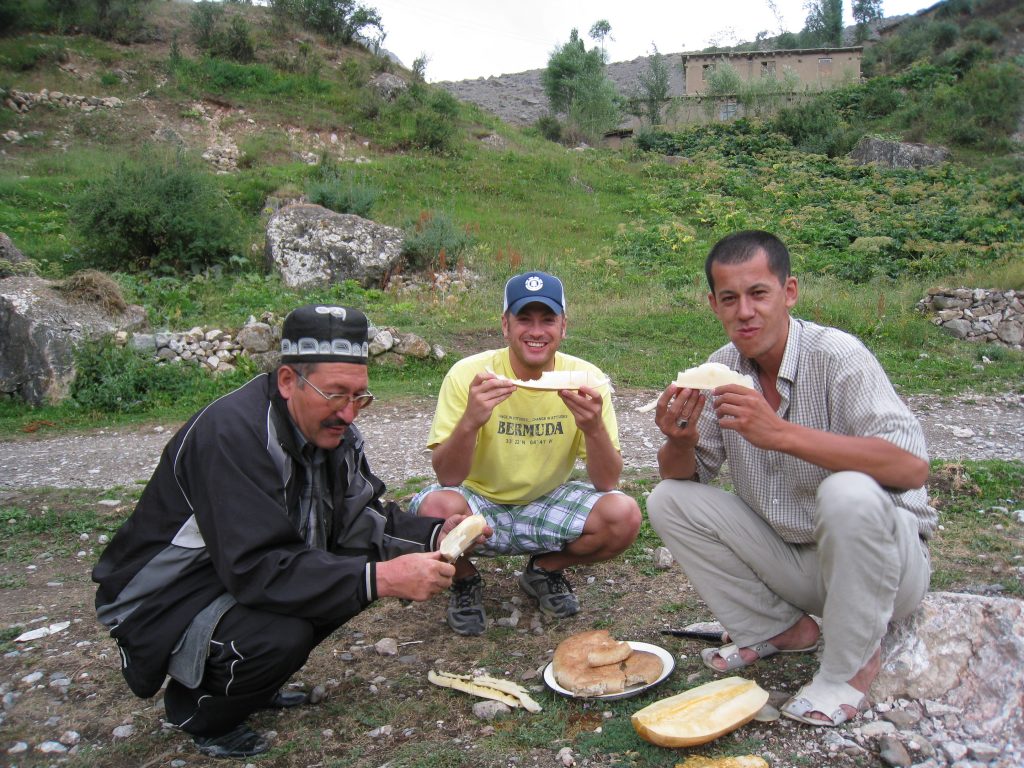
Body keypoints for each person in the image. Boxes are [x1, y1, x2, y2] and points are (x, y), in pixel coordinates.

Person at [92, 305, 485, 759]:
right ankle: (200, 712)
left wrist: (438, 534)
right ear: (286, 381)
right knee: (290, 627)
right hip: (167, 596)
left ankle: (251, 679)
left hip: (235, 573)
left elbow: (360, 521)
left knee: (342, 583)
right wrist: (384, 578)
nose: (350, 413)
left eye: (361, 396)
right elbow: (256, 568)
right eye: (336, 394)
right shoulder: (231, 435)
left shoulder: (334, 432)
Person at [646, 230, 934, 727]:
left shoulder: (839, 356)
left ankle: (851, 665)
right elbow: (685, 477)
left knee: (847, 490)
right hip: (800, 566)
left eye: (759, 293)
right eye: (730, 299)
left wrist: (779, 433)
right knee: (668, 499)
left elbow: (910, 467)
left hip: (887, 569)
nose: (745, 312)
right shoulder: (721, 368)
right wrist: (680, 440)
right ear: (712, 303)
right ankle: (781, 628)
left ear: (790, 292)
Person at [409, 271, 642, 636]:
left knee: (623, 515)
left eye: (547, 320)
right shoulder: (468, 375)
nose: (536, 331)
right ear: (505, 325)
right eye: (524, 319)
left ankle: (544, 569)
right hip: (478, 501)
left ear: (563, 327)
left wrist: (593, 428)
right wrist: (471, 420)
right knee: (434, 509)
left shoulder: (586, 378)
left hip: (546, 500)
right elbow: (448, 478)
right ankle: (465, 578)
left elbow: (607, 481)